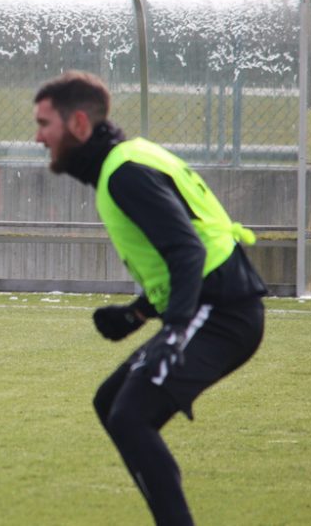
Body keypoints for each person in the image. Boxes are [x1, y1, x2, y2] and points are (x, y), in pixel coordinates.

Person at [32, 70, 266, 526]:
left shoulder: (124, 173)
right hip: (212, 306)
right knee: (113, 402)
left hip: (221, 313)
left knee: (130, 416)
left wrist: (174, 329)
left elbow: (187, 249)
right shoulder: (124, 162)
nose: (38, 137)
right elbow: (183, 248)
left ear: (78, 124)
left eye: (45, 124)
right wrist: (138, 313)